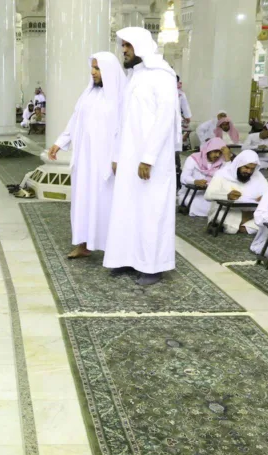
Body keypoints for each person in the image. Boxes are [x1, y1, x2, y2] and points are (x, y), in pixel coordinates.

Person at [103, 27, 180, 286]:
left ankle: (152, 266)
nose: (124, 50)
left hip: (151, 160)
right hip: (129, 157)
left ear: (141, 46)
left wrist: (148, 157)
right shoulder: (134, 76)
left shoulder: (162, 75)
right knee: (127, 208)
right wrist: (117, 155)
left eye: (128, 45)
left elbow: (164, 118)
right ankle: (127, 258)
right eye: (123, 45)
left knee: (151, 210)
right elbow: (123, 121)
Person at [48, 52, 125, 259]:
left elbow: (124, 130)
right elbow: (75, 120)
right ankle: (83, 245)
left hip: (106, 162)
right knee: (82, 201)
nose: (93, 72)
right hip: (84, 160)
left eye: (97, 68)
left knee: (105, 203)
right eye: (92, 67)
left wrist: (117, 157)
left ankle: (113, 249)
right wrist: (60, 142)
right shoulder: (88, 94)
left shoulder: (120, 98)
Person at [204, 150, 268, 234]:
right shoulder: (222, 174)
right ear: (239, 164)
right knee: (225, 216)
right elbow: (208, 195)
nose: (249, 172)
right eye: (246, 167)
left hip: (252, 211)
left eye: (252, 169)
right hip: (227, 210)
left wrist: (265, 196)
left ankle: (243, 226)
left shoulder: (257, 176)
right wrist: (227, 196)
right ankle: (246, 224)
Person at [177, 138, 229, 217]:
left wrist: (227, 159)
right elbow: (184, 177)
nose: (218, 155)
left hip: (211, 195)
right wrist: (195, 181)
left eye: (220, 152)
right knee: (205, 206)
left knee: (220, 206)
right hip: (191, 194)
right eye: (215, 151)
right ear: (208, 149)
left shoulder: (221, 162)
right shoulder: (193, 159)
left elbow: (228, 177)